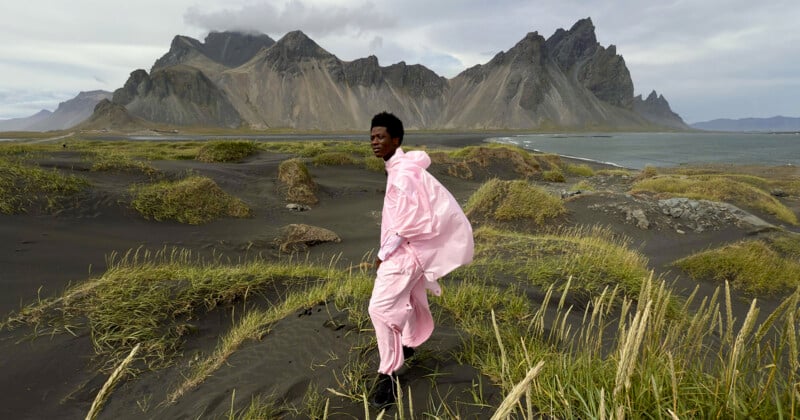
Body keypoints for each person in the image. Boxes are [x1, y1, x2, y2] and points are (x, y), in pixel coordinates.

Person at [367, 112, 474, 408]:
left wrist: (382, 255)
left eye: (381, 137)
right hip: (411, 254)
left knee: (378, 309)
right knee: (406, 299)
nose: (375, 142)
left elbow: (407, 222)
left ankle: (388, 375)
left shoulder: (401, 175)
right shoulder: (401, 168)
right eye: (372, 137)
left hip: (404, 255)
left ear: (396, 140)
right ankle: (407, 345)